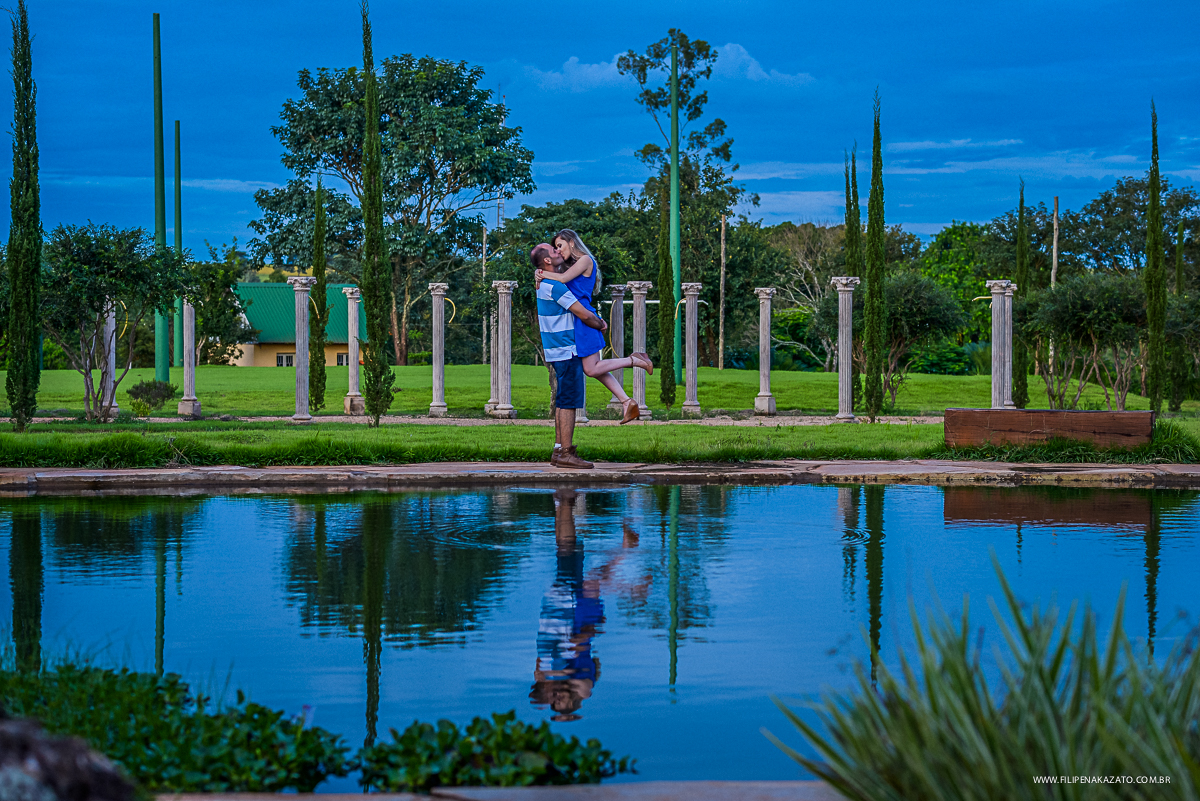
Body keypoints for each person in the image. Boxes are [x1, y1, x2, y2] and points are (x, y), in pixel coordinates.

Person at [534, 229, 653, 424]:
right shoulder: (570, 265)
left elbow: (561, 279)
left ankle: (634, 360)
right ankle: (627, 402)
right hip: (577, 319)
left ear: (572, 242)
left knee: (591, 369)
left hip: (584, 318)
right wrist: (541, 273)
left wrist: (540, 273)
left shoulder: (586, 260)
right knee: (594, 369)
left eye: (560, 245)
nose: (558, 250)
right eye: (555, 248)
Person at [531, 242, 606, 469]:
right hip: (567, 349)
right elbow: (583, 314)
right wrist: (600, 324)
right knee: (569, 402)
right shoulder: (555, 287)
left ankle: (558, 450)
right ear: (547, 260)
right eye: (554, 250)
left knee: (563, 400)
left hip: (555, 351)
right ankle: (566, 453)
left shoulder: (543, 284)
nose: (558, 252)